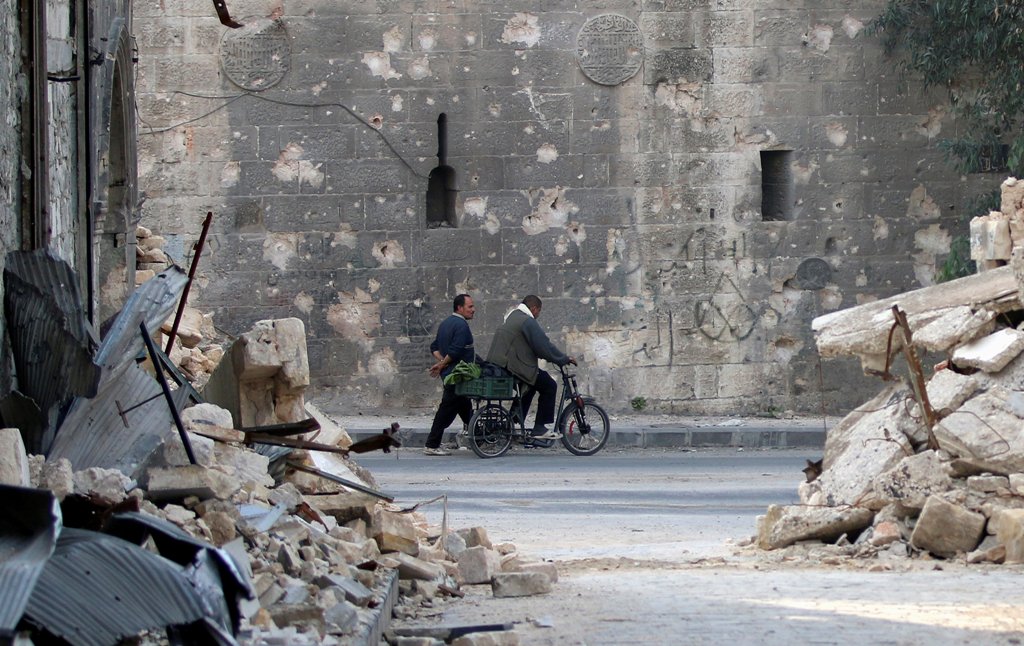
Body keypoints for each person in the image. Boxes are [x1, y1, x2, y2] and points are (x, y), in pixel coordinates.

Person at [486, 295, 575, 441]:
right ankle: (540, 427)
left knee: (530, 383)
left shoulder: (513, 316)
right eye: (539, 311)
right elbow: (543, 346)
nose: (538, 315)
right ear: (534, 308)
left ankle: (512, 422)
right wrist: (563, 358)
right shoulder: (527, 321)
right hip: (509, 365)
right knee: (549, 385)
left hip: (499, 364)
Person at [424, 294, 476, 455]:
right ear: (460, 308)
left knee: (465, 406)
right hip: (457, 375)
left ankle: (479, 437)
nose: (473, 310)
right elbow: (456, 350)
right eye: (470, 307)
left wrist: (441, 363)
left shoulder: (446, 323)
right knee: (446, 410)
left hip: (450, 373)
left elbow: (434, 346)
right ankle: (432, 445)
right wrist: (444, 363)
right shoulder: (461, 325)